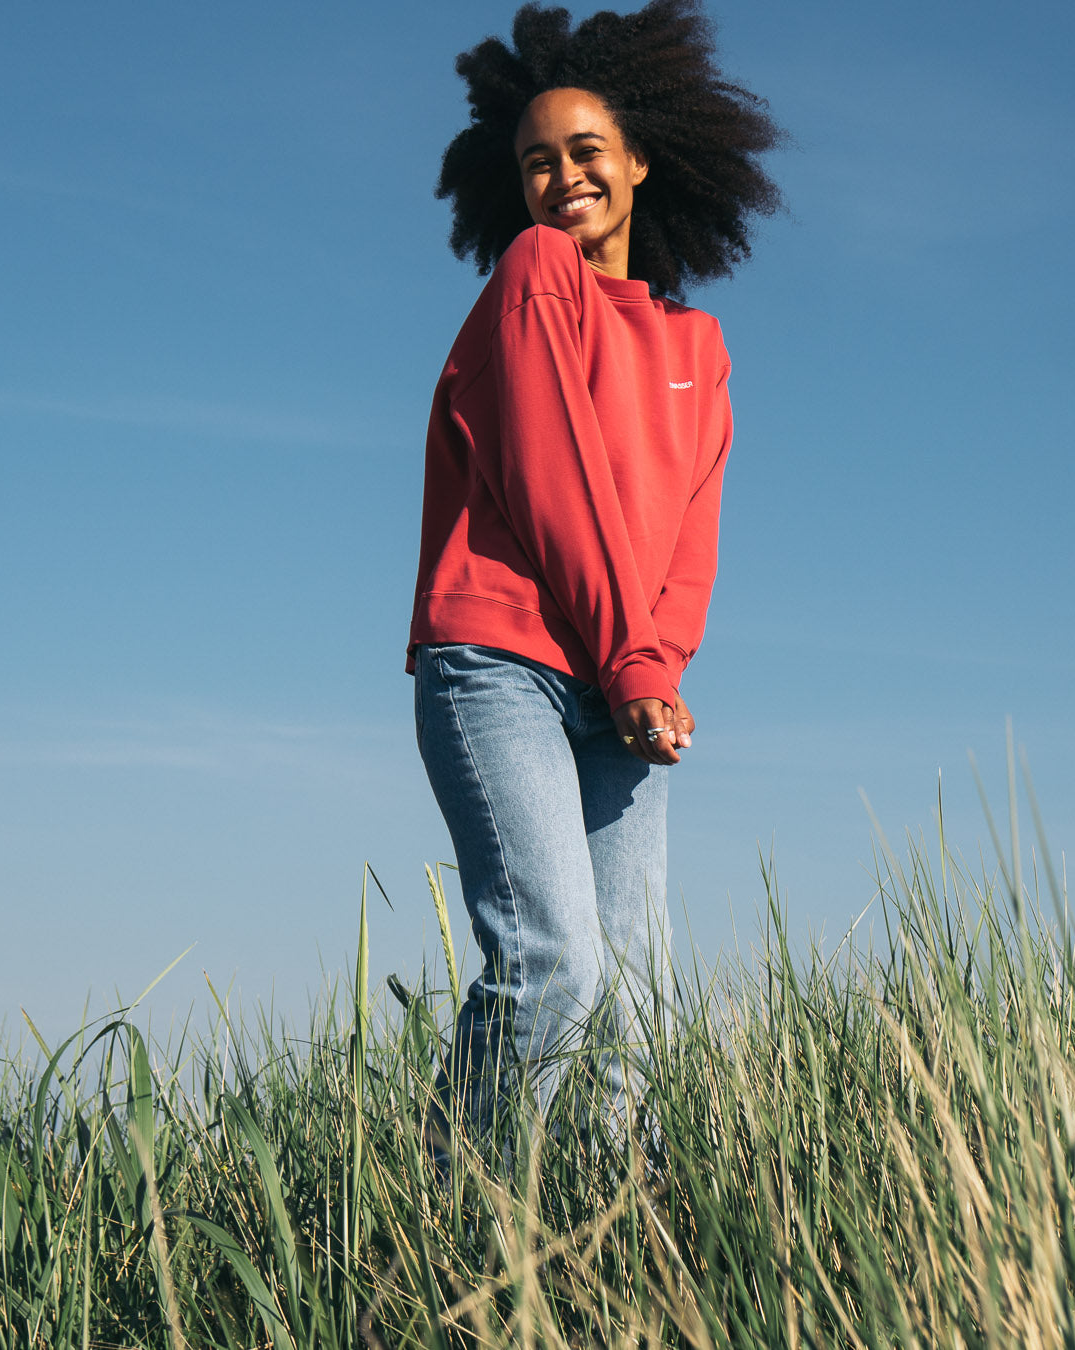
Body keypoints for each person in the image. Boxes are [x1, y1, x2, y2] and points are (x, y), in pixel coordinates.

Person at [407, 0, 784, 1152]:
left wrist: (655, 664)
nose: (560, 177)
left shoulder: (695, 350)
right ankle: (440, 1229)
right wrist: (630, 657)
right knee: (554, 961)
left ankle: (616, 1254)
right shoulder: (534, 277)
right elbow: (549, 469)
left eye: (583, 151)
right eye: (535, 162)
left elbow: (689, 536)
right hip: (499, 662)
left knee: (638, 1003)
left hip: (624, 684)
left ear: (637, 162)